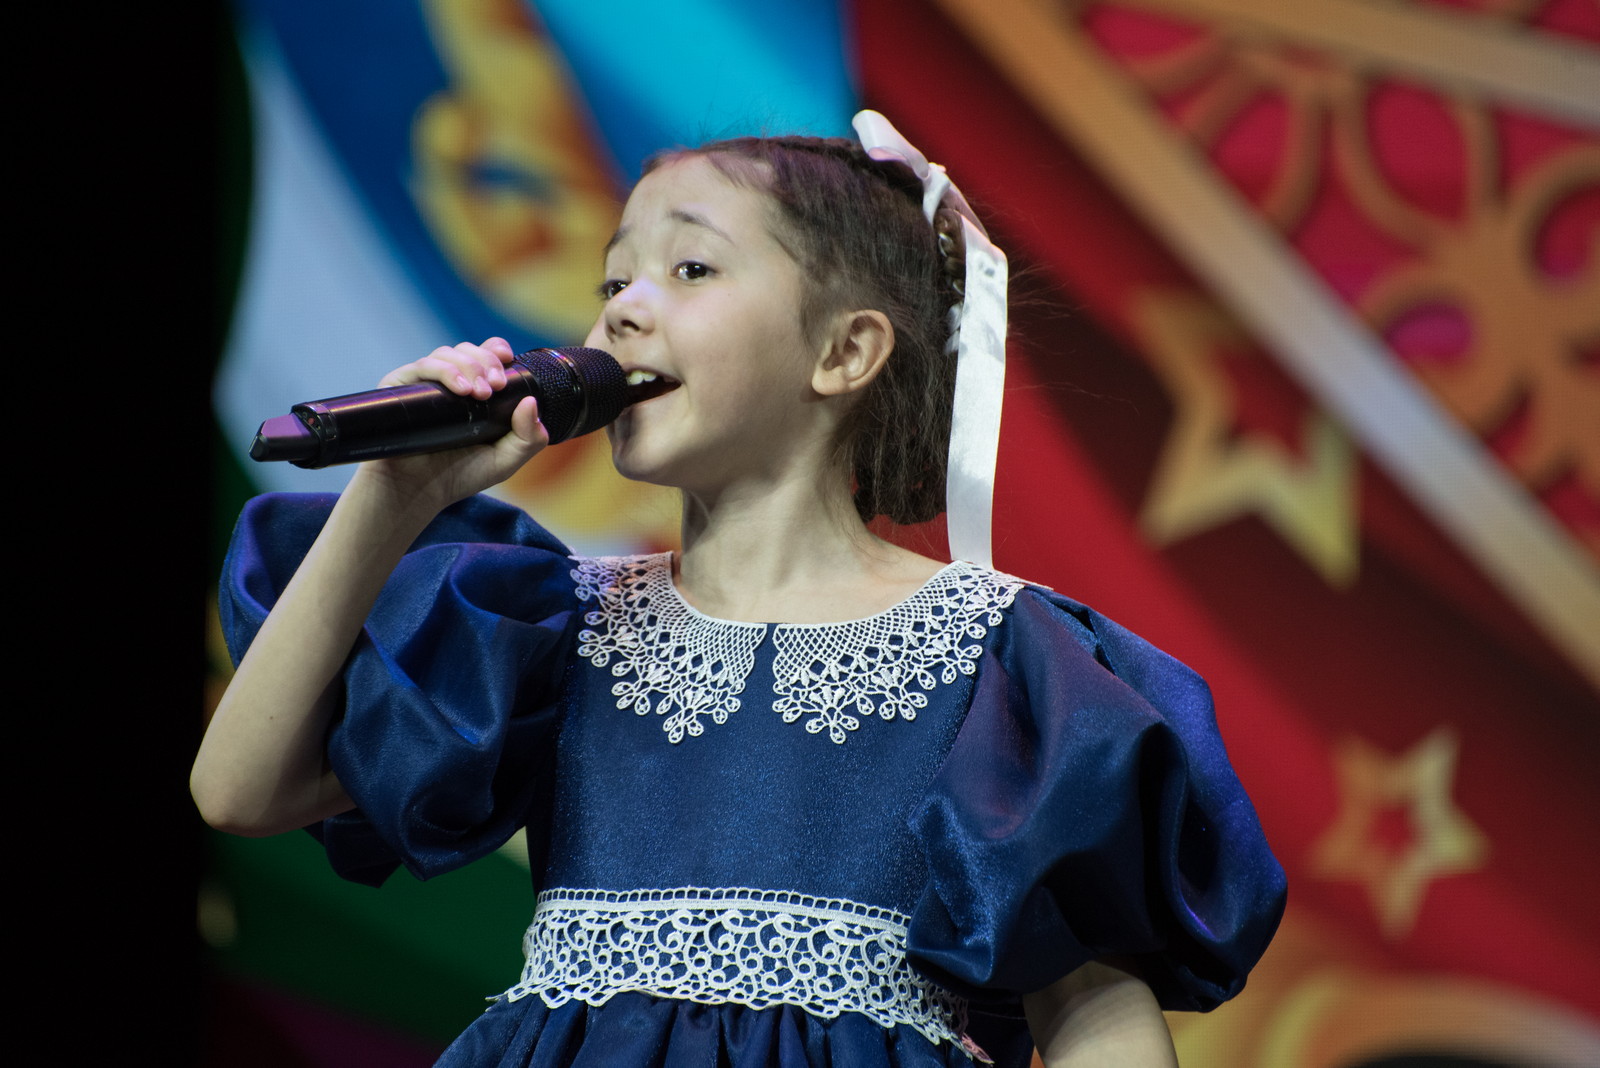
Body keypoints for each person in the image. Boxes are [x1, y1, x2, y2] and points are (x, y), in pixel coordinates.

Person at [194, 112, 1285, 1067]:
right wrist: (392, 496)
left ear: (844, 352)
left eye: (690, 270)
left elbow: (1091, 1007)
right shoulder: (555, 627)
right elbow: (239, 790)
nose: (621, 313)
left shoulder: (1001, 661)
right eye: (612, 281)